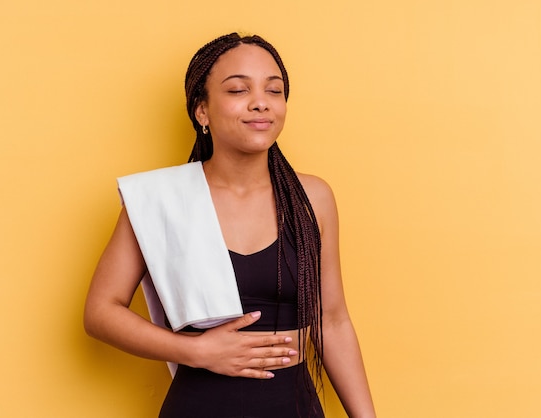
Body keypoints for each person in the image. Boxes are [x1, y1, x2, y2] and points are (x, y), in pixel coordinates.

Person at [84, 32, 376, 417]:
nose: (261, 103)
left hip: (294, 407)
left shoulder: (313, 198)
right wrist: (194, 350)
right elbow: (101, 312)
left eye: (275, 91)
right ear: (201, 111)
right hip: (199, 406)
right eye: (239, 89)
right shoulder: (160, 199)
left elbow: (332, 320)